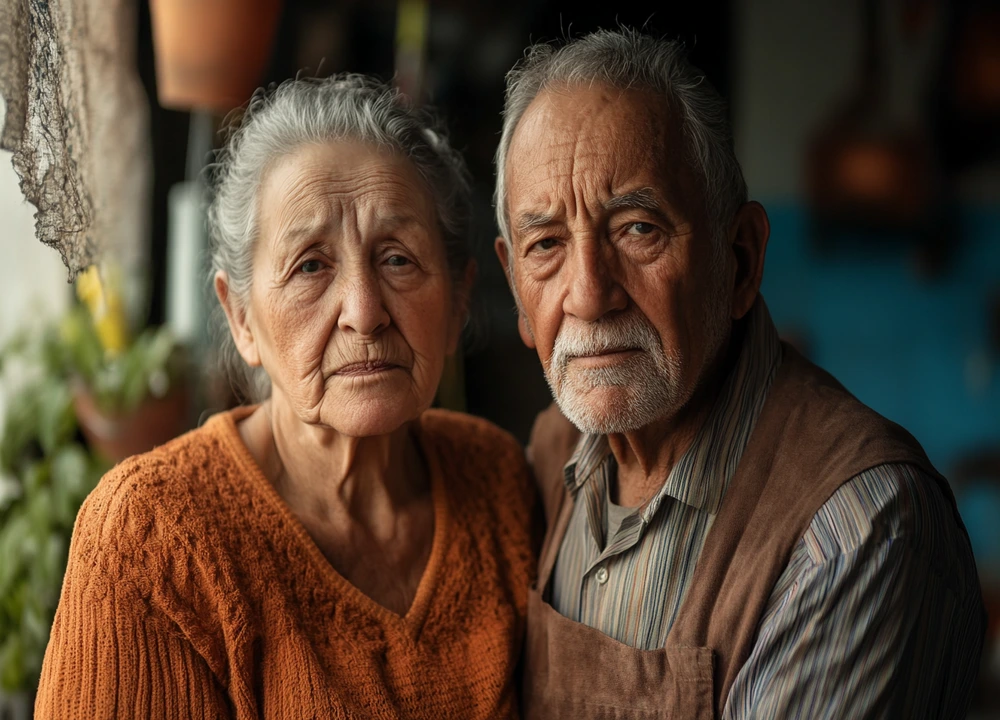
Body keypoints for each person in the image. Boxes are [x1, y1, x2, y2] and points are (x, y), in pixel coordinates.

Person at [492, 29, 985, 719]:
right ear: (515, 290)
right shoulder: (547, 460)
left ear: (742, 260)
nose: (589, 293)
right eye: (545, 245)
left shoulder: (858, 533)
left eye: (637, 229)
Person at [35, 75, 536, 719]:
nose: (363, 312)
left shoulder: (496, 481)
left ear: (458, 299)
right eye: (310, 266)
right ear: (241, 317)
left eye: (398, 259)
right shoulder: (148, 541)